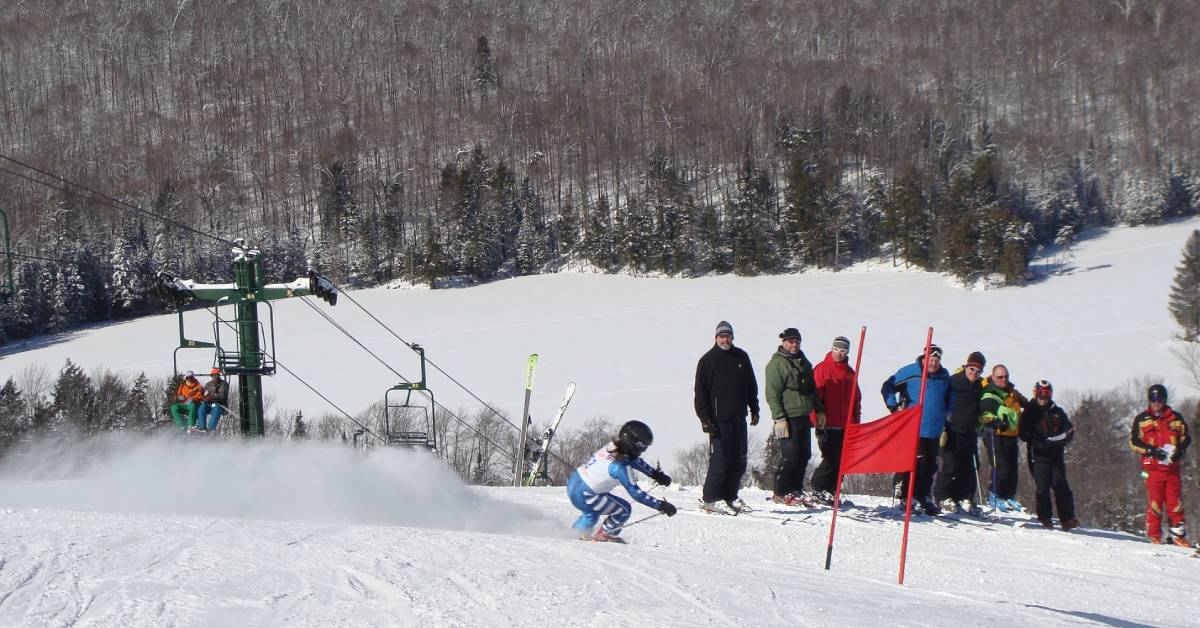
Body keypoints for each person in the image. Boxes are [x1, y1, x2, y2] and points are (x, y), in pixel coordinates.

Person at [567, 420, 676, 543]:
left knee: (591, 515)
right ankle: (604, 536)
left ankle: (574, 536)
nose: (644, 450)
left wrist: (655, 475)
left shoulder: (613, 446)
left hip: (574, 482)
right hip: (586, 495)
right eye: (642, 446)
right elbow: (636, 493)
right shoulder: (620, 467)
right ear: (634, 444)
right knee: (623, 509)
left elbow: (634, 461)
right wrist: (661, 505)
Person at [694, 320, 760, 515]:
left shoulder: (741, 357)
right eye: (722, 336)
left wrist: (754, 408)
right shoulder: (707, 360)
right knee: (720, 461)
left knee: (738, 460)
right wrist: (705, 419)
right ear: (716, 338)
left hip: (738, 417)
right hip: (718, 420)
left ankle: (730, 495)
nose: (725, 339)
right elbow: (700, 393)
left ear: (732, 337)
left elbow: (751, 385)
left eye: (728, 336)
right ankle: (711, 498)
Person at [880, 344, 952, 516]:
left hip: (935, 429)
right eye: (931, 360)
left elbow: (951, 395)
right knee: (914, 463)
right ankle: (906, 496)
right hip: (914, 426)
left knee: (930, 465)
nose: (933, 363)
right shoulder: (911, 372)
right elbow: (887, 386)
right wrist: (893, 405)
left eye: (936, 360)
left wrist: (948, 413)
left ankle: (923, 496)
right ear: (924, 357)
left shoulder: (944, 376)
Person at [764, 327, 824, 506]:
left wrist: (819, 409)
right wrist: (779, 417)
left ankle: (795, 489)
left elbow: (812, 390)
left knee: (803, 455)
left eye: (797, 341)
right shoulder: (776, 364)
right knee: (790, 456)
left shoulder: (804, 362)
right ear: (783, 342)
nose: (794, 345)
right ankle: (781, 491)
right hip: (788, 416)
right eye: (791, 341)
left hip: (803, 414)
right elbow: (772, 393)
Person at [1129, 384, 1191, 546]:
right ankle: (1154, 535)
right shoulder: (1142, 419)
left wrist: (1180, 450)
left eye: (1159, 399)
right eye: (1153, 399)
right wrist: (1151, 450)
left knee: (1175, 503)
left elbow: (1186, 438)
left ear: (1165, 399)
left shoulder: (1176, 418)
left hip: (1172, 469)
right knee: (1155, 503)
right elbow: (1134, 442)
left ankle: (1178, 535)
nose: (1156, 402)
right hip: (1152, 469)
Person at [1018, 380, 1078, 530]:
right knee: (1042, 487)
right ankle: (1045, 518)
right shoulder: (1030, 411)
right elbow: (1023, 433)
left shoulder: (1057, 411)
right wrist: (1036, 440)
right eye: (1040, 393)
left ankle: (1067, 518)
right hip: (1038, 455)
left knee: (1061, 485)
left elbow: (1068, 430)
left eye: (1046, 394)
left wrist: (1065, 437)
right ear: (1035, 393)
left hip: (1056, 454)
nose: (1043, 397)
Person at [810, 335, 861, 506]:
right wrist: (816, 421)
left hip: (846, 425)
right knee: (831, 458)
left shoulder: (850, 373)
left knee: (842, 460)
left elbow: (856, 401)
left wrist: (856, 424)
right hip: (827, 423)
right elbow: (814, 398)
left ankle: (832, 489)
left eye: (843, 351)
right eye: (836, 350)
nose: (839, 353)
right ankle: (818, 488)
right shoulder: (822, 369)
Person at [936, 351, 988, 515]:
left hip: (970, 431)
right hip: (952, 430)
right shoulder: (954, 382)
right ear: (966, 367)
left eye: (978, 371)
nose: (974, 374)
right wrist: (943, 425)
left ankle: (965, 497)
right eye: (972, 369)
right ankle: (943, 496)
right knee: (950, 465)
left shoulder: (979, 386)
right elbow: (942, 401)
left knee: (970, 467)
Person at [980, 364, 1028, 512]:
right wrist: (993, 420)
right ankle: (994, 495)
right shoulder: (989, 390)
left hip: (1012, 434)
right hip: (996, 433)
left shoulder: (1011, 390)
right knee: (1000, 466)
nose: (1003, 379)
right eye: (1000, 377)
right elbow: (985, 409)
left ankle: (1008, 496)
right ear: (993, 377)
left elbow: (1026, 403)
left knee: (1012, 468)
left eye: (1006, 376)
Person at [197, 368, 229, 433]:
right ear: (211, 376)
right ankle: (202, 427)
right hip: (208, 404)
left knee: (216, 409)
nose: (215, 377)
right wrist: (202, 394)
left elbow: (222, 396)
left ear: (218, 375)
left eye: (216, 375)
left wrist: (212, 397)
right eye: (213, 375)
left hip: (218, 404)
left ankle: (211, 429)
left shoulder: (223, 384)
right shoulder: (208, 384)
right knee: (201, 408)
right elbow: (204, 394)